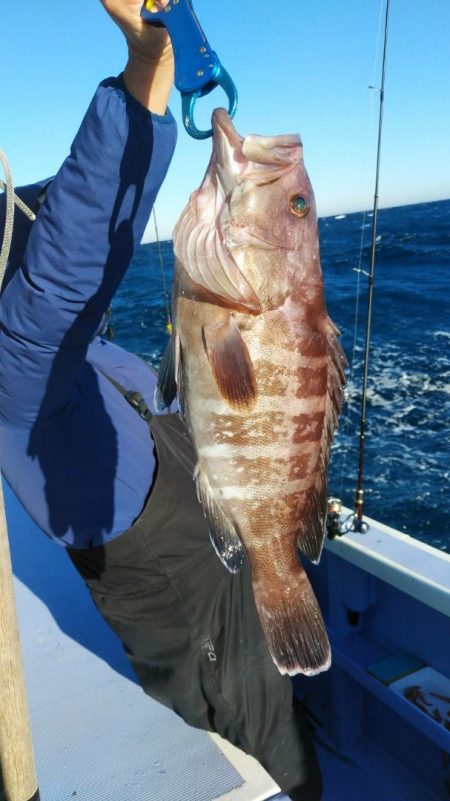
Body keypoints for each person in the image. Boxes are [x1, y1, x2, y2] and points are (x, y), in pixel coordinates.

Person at [0, 2, 323, 799]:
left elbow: (72, 211)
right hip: (184, 595)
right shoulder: (18, 359)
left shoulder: (30, 288)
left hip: (205, 501)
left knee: (283, 698)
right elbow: (69, 262)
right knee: (270, 735)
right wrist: (151, 60)